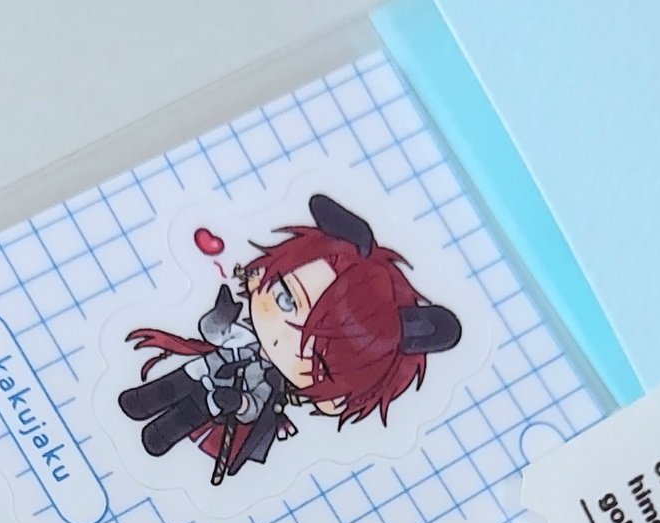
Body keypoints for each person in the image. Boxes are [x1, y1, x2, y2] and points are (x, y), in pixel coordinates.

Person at [118, 193, 461, 483]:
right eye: (285, 298)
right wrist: (222, 315)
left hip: (219, 403)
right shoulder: (246, 335)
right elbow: (215, 333)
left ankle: (160, 435)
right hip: (201, 370)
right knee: (173, 384)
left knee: (183, 419)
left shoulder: (272, 386)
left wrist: (237, 403)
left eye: (317, 352)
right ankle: (143, 400)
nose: (285, 335)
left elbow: (254, 408)